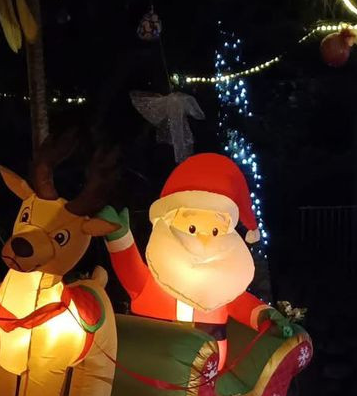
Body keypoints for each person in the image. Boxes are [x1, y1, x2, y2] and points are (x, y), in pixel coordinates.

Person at [101, 153, 293, 368]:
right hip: (152, 367)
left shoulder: (221, 289)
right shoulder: (157, 277)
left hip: (204, 374)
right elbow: (133, 276)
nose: (203, 238)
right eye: (191, 228)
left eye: (214, 230)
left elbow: (240, 304)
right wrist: (120, 238)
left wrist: (266, 316)